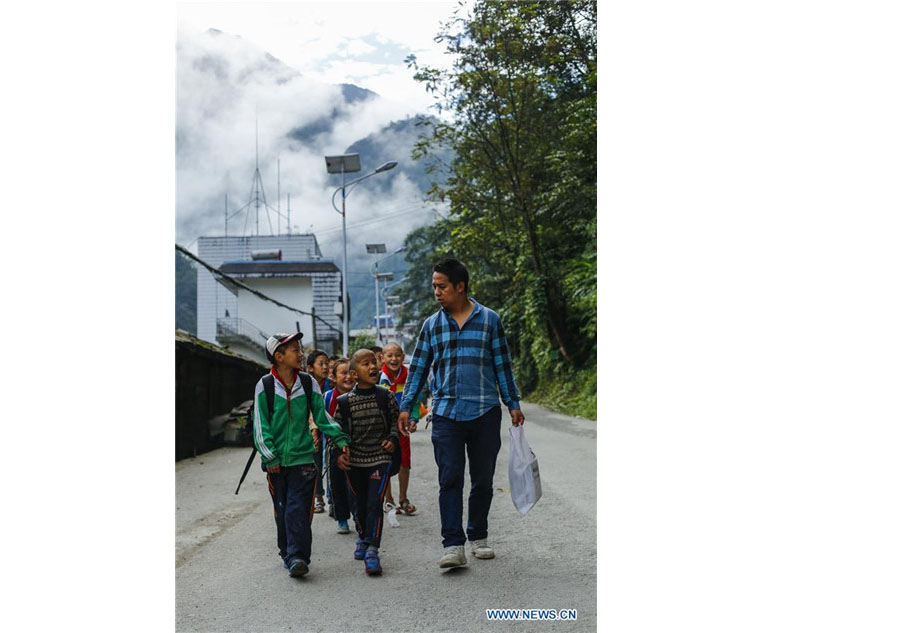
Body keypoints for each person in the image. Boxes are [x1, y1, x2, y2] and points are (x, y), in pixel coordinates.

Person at [398, 258, 524, 569]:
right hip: (446, 414)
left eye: (442, 286)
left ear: (460, 287)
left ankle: (478, 536)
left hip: (484, 411)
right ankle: (453, 544)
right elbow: (418, 370)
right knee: (450, 478)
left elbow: (502, 365)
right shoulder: (432, 325)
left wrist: (513, 402)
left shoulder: (490, 320)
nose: (437, 292)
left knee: (482, 479)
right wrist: (406, 405)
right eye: (434, 287)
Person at [255, 333, 350, 577]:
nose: (300, 354)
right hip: (275, 463)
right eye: (295, 350)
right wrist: (270, 457)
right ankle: (286, 551)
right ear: (279, 357)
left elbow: (322, 417)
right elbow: (260, 425)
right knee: (282, 508)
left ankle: (298, 556)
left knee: (298, 508)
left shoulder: (308, 383)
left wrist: (340, 439)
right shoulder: (265, 385)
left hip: (304, 459)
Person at [333, 348, 400, 576]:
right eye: (365, 363)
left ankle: (372, 548)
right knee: (359, 505)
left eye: (374, 362)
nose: (372, 367)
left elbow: (394, 423)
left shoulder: (385, 396)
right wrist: (339, 454)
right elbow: (337, 432)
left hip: (379, 459)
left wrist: (392, 439)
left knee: (374, 503)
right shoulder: (344, 402)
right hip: (355, 462)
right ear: (353, 373)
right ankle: (362, 537)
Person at [379, 342, 423, 516]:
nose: (393, 359)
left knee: (405, 462)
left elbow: (415, 401)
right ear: (382, 358)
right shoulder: (379, 377)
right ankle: (388, 500)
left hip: (402, 427)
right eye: (389, 355)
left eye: (397, 355)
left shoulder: (409, 377)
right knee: (385, 462)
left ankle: (403, 498)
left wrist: (413, 418)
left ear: (403, 357)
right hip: (383, 428)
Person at [323, 357, 355, 534]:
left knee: (357, 485)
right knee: (337, 484)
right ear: (333, 377)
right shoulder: (327, 398)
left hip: (358, 447)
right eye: (343, 373)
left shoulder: (361, 395)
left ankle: (359, 516)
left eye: (351, 372)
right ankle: (342, 518)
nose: (348, 377)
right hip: (334, 448)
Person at [306, 349, 332, 513]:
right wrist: (314, 431)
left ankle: (333, 498)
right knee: (315, 464)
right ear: (310, 367)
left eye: (326, 364)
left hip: (329, 428)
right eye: (320, 364)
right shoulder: (306, 385)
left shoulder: (332, 384)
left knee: (331, 463)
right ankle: (318, 498)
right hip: (312, 429)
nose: (325, 367)